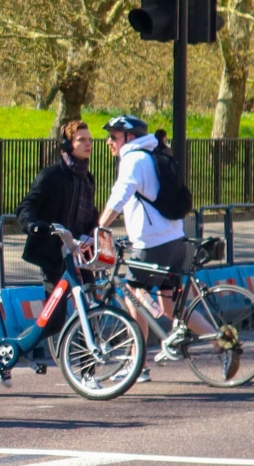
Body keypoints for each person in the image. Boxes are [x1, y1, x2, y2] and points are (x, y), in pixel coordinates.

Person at [98, 114, 192, 356]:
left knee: (132, 294)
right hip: (176, 240)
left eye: (113, 137)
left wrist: (100, 227)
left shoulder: (133, 159)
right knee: (172, 307)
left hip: (152, 245)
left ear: (130, 138)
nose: (109, 141)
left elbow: (121, 196)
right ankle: (222, 342)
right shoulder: (154, 156)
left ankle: (137, 364)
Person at [15, 119, 98, 288]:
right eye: (81, 140)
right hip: (54, 252)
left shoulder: (88, 179)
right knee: (56, 308)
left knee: (91, 301)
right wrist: (32, 225)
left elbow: (89, 215)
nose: (88, 144)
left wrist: (95, 235)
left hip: (80, 252)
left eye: (89, 139)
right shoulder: (51, 175)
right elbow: (27, 206)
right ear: (67, 145)